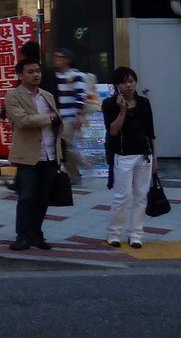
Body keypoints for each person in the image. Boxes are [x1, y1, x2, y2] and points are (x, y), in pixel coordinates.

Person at [4, 57, 60, 251]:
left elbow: (56, 122)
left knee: (44, 197)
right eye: (30, 72)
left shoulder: (47, 95)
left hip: (50, 153)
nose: (36, 74)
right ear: (20, 75)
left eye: (38, 71)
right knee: (27, 196)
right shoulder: (13, 96)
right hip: (28, 154)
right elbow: (23, 121)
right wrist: (49, 117)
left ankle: (37, 234)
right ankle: (22, 236)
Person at [102, 66, 156, 249]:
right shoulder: (110, 104)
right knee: (123, 196)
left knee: (141, 196)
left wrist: (155, 157)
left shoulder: (144, 103)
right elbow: (113, 130)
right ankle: (113, 233)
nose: (129, 85)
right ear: (117, 85)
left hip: (144, 154)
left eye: (131, 81)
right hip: (123, 154)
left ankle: (136, 233)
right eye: (124, 82)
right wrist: (122, 110)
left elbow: (151, 132)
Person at [52, 48, 93, 187]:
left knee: (66, 146)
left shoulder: (76, 75)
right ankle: (79, 166)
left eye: (59, 57)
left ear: (67, 60)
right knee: (63, 147)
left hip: (69, 117)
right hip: (58, 117)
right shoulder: (56, 76)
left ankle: (76, 174)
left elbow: (80, 96)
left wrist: (78, 115)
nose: (55, 59)